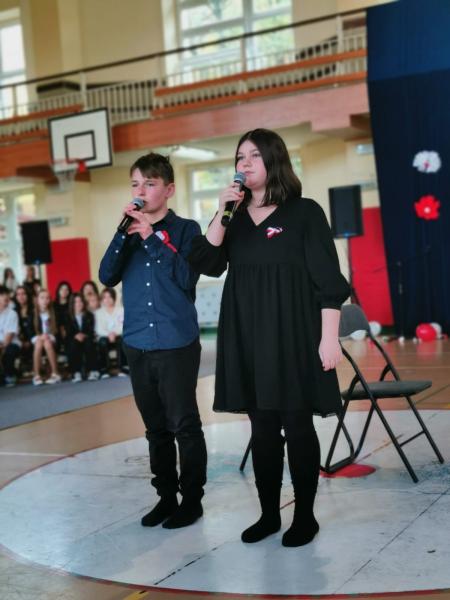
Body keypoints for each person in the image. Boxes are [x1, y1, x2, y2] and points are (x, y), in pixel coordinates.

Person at [189, 129, 350, 547]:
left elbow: (328, 282)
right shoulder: (234, 218)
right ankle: (267, 514)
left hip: (295, 335)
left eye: (253, 156)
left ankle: (306, 516)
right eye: (239, 157)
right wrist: (221, 211)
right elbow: (206, 261)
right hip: (247, 336)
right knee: (261, 431)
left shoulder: (305, 213)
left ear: (273, 160)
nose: (243, 164)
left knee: (296, 426)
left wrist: (329, 339)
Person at [99, 152, 207, 530]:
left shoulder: (187, 230)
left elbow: (185, 278)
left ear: (169, 189)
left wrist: (151, 235)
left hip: (176, 342)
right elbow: (106, 276)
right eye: (135, 184)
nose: (140, 191)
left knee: (184, 424)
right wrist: (122, 232)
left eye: (149, 183)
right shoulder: (127, 231)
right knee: (155, 428)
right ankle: (166, 498)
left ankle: (192, 501)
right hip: (138, 342)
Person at [65, 293, 99, 382]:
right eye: (76, 302)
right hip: (74, 339)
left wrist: (84, 335)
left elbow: (91, 330)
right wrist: (76, 335)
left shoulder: (89, 315)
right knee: (73, 344)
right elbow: (68, 332)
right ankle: (76, 372)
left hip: (87, 338)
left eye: (80, 301)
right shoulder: (68, 316)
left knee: (89, 343)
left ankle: (92, 371)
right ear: (72, 304)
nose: (78, 304)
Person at [95, 287, 127, 378]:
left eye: (110, 297)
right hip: (105, 336)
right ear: (102, 299)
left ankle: (123, 368)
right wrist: (109, 334)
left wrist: (114, 333)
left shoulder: (121, 310)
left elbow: (123, 326)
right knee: (102, 342)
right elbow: (99, 329)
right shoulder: (98, 313)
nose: (107, 299)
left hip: (118, 335)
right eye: (105, 297)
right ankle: (105, 370)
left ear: (114, 298)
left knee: (122, 340)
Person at [30, 289, 61, 385]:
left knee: (47, 343)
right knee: (39, 343)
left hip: (52, 339)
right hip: (37, 340)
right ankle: (36, 375)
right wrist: (39, 337)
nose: (45, 300)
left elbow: (58, 332)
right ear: (37, 300)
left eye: (47, 298)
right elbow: (30, 332)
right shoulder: (32, 313)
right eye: (42, 298)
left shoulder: (54, 312)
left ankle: (55, 373)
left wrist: (48, 336)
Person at [0, 285, 21, 386]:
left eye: (6, 294)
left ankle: (10, 375)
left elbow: (8, 337)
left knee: (9, 350)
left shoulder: (12, 314)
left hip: (11, 343)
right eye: (2, 294)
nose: (5, 297)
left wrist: (2, 347)